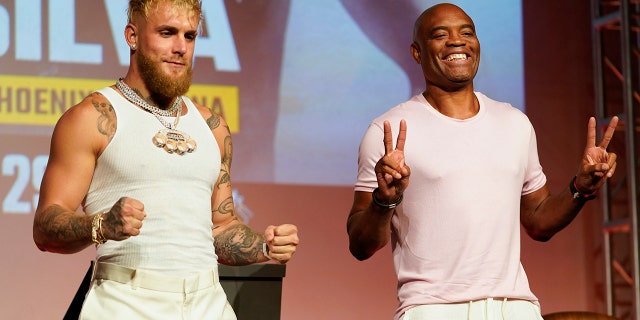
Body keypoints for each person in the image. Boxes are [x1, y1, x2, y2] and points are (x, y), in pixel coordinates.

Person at [346, 3, 618, 320]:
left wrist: (580, 188)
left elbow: (539, 223)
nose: (457, 41)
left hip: (516, 307)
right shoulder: (387, 131)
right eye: (439, 34)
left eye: (466, 32)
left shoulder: (514, 122)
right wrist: (384, 201)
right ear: (417, 53)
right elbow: (360, 246)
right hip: (434, 309)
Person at [32, 1, 299, 319]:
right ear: (132, 36)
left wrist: (264, 246)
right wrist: (102, 225)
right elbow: (45, 228)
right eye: (167, 33)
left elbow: (221, 228)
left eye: (189, 36)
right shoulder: (92, 118)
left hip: (207, 303)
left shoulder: (212, 126)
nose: (181, 47)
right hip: (127, 302)